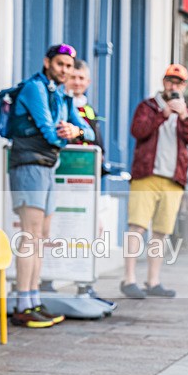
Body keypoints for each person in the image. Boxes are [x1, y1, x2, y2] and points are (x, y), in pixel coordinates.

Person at [9, 43, 95, 327]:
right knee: (30, 236)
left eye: (69, 67)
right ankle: (23, 303)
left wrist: (76, 129)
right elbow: (49, 133)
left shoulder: (60, 95)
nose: (65, 70)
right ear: (47, 62)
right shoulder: (34, 89)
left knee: (42, 237)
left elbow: (89, 131)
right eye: (60, 64)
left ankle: (34, 300)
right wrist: (67, 136)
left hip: (47, 168)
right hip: (29, 165)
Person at [120, 64, 188, 299]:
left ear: (184, 86)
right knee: (137, 227)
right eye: (170, 81)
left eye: (178, 82)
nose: (173, 86)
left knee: (161, 232)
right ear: (163, 82)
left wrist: (182, 115)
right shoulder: (148, 106)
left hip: (173, 180)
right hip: (146, 176)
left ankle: (153, 281)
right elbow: (138, 131)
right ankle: (129, 278)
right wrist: (162, 115)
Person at [65, 59, 117, 312]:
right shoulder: (62, 105)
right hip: (63, 178)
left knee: (90, 229)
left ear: (88, 81)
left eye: (81, 78)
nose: (76, 82)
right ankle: (47, 278)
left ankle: (84, 282)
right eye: (73, 77)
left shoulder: (90, 110)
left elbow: (98, 143)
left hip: (88, 181)